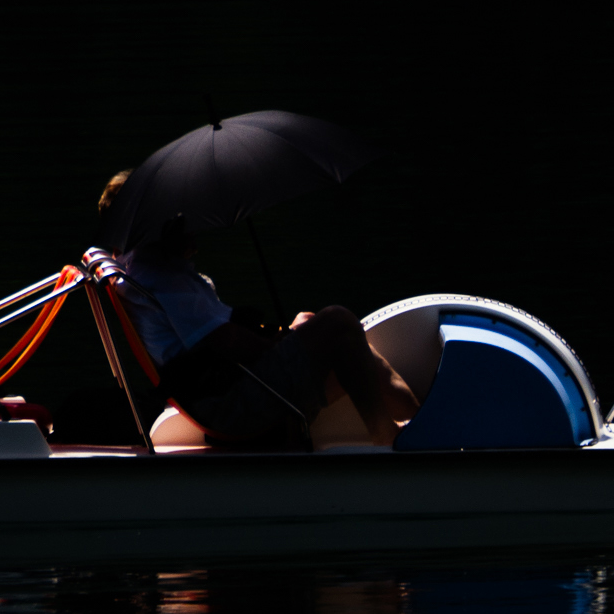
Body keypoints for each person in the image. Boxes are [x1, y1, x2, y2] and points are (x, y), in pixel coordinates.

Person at [97, 172, 417, 447]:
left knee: (309, 322)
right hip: (230, 403)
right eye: (177, 216)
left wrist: (286, 339)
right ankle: (389, 436)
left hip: (217, 393)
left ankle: (416, 419)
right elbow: (228, 342)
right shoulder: (163, 276)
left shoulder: (135, 266)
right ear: (157, 224)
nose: (186, 220)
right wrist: (276, 344)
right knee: (339, 323)